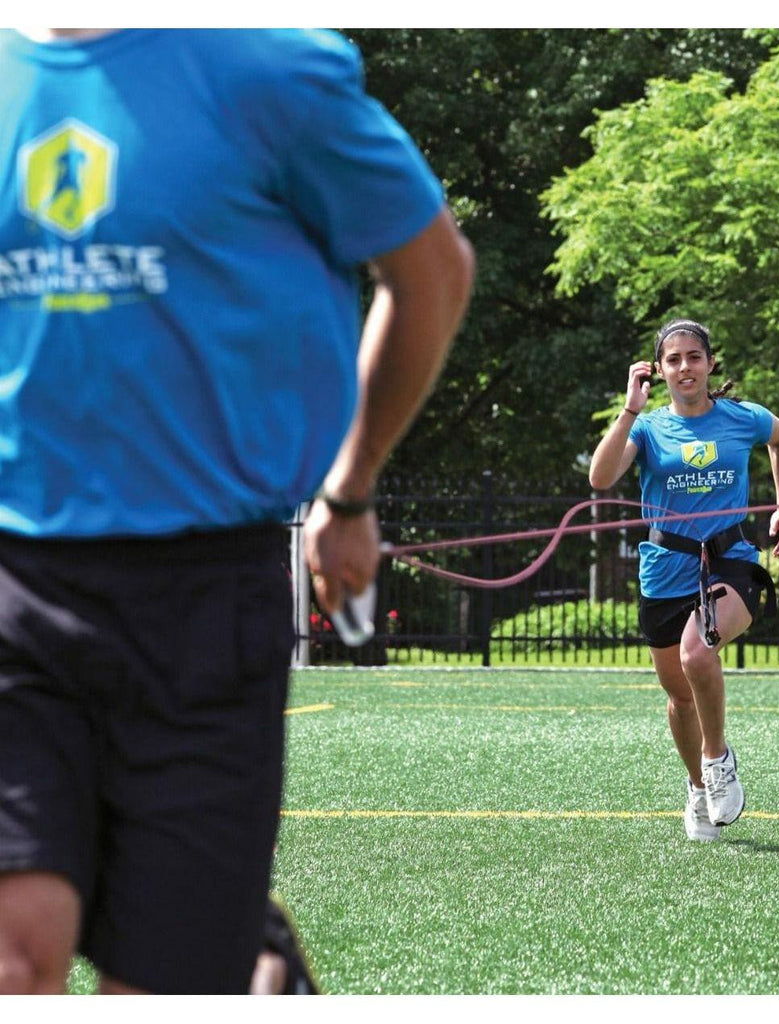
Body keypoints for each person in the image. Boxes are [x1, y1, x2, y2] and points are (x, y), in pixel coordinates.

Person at [0, 28, 474, 994]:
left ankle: (255, 964)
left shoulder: (270, 68)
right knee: (15, 955)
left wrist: (351, 489)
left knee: (166, 987)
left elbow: (431, 274)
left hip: (203, 592)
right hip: (17, 587)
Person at [589, 319, 779, 842]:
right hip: (665, 570)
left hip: (730, 561)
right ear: (658, 370)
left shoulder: (741, 418)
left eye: (694, 357)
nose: (686, 367)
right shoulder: (647, 426)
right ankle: (697, 788)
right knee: (679, 696)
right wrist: (630, 407)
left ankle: (717, 759)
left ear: (709, 363)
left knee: (697, 652)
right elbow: (600, 477)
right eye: (674, 359)